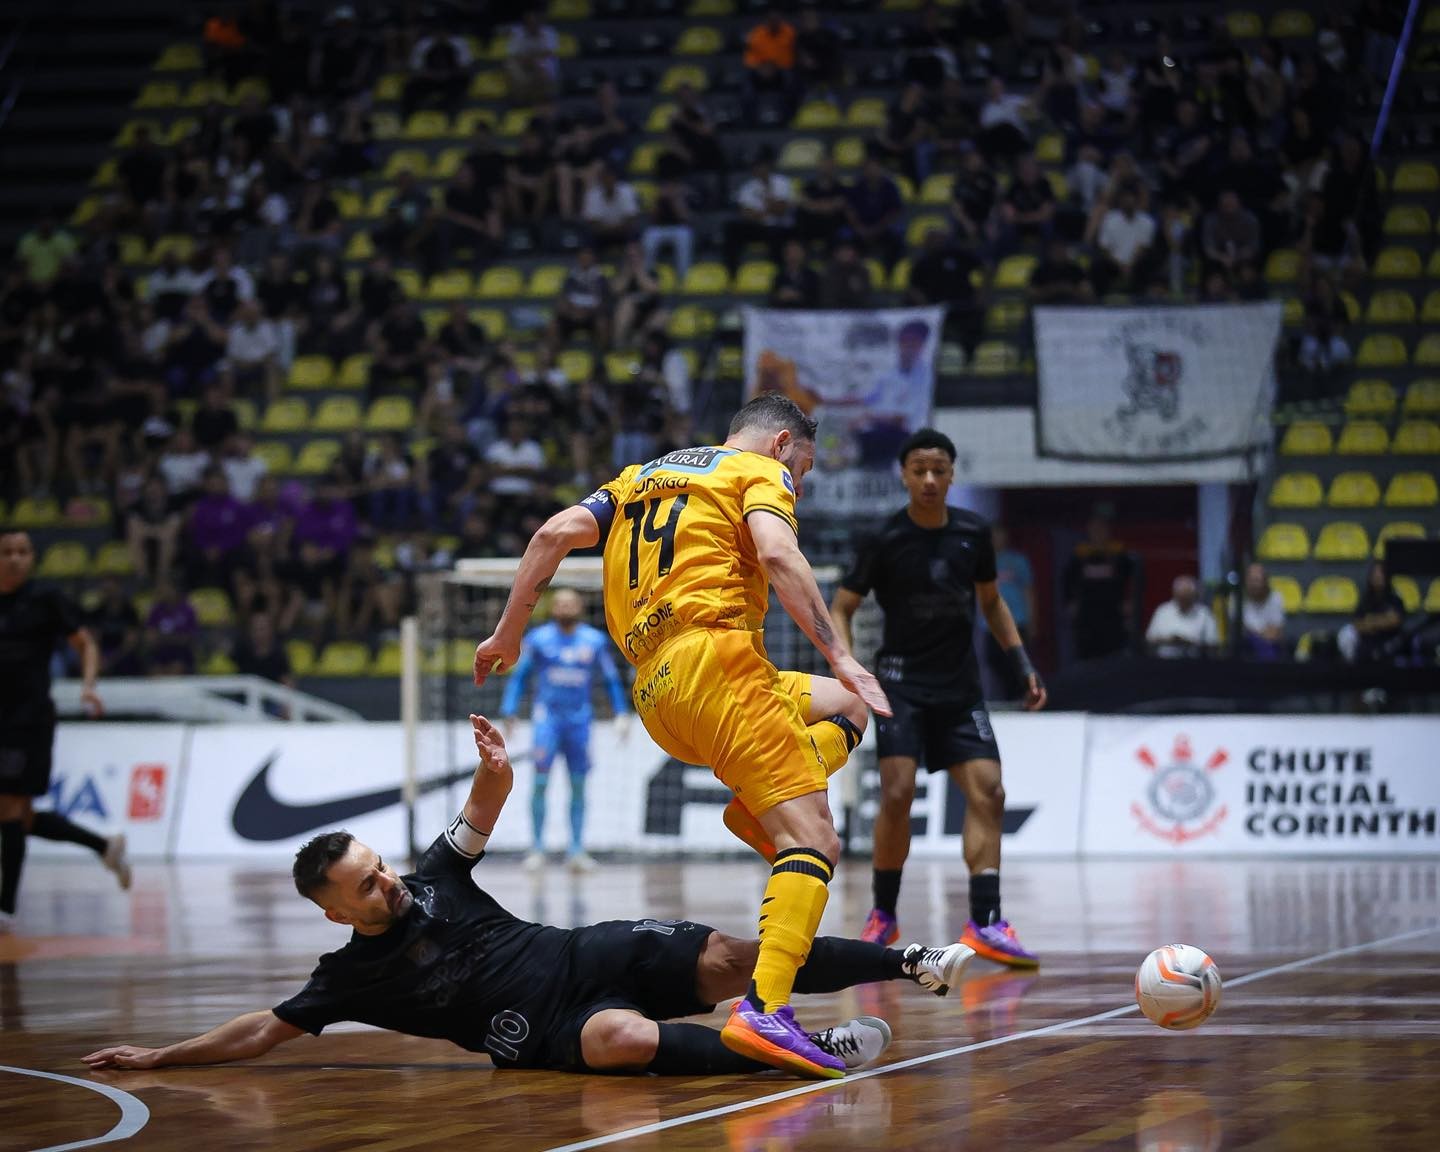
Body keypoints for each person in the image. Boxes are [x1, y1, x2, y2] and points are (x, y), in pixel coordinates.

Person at [83, 715, 974, 1076]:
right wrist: (161, 1059)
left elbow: (478, 814)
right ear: (334, 910)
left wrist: (494, 772)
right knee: (625, 1041)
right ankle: (805, 1051)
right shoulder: (345, 980)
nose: (387, 883)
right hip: (546, 1032)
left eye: (382, 867)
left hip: (586, 950)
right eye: (366, 884)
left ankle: (912, 961)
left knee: (735, 957)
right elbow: (261, 1029)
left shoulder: (430, 877)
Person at [473, 394, 895, 1080]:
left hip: (656, 691)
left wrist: (508, 632)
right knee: (813, 837)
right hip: (718, 663)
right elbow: (780, 555)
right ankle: (766, 1009)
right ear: (782, 443)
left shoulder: (638, 477)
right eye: (806, 468)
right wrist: (843, 652)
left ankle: (758, 807)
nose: (801, 484)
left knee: (846, 706)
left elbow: (552, 534)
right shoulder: (757, 473)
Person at [829, 430, 1046, 968]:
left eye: (939, 470)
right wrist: (849, 670)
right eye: (919, 469)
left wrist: (1021, 662)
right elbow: (841, 608)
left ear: (952, 475)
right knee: (898, 792)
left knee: (989, 791)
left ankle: (987, 920)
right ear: (904, 475)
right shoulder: (883, 537)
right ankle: (883, 913)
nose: (929, 479)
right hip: (900, 683)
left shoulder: (973, 533)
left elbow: (992, 604)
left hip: (960, 686)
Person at [0, 530, 130, 926]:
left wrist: (88, 686)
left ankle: (5, 909)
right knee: (17, 818)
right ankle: (104, 845)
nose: (15, 559)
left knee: (9, 807)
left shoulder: (45, 599)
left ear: (33, 557)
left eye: (23, 551)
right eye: (7, 552)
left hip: (29, 720)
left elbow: (85, 644)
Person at [498, 589, 629, 872]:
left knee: (579, 785)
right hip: (548, 721)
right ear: (553, 608)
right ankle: (536, 848)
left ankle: (577, 850)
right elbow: (520, 677)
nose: (566, 607)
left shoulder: (594, 641)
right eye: (560, 603)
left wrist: (621, 712)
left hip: (580, 722)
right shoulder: (539, 639)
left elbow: (610, 680)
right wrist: (509, 710)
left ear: (580, 606)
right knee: (541, 783)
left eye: (571, 602)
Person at [1145, 575, 1219, 658]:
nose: (1183, 600)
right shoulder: (1163, 611)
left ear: (1194, 595)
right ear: (1174, 594)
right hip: (1164, 663)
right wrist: (1169, 640)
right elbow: (1149, 639)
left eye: (1186, 596)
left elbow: (1213, 644)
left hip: (1196, 664)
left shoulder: (1204, 613)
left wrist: (1190, 643)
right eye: (1180, 596)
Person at [1240, 561, 1286, 660]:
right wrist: (1262, 632)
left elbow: (1275, 634)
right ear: (1245, 581)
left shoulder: (1275, 598)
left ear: (1265, 581)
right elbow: (1241, 634)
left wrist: (1253, 633)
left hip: (1270, 652)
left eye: (1257, 580)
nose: (1254, 584)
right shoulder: (1237, 601)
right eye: (1251, 580)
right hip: (1245, 652)